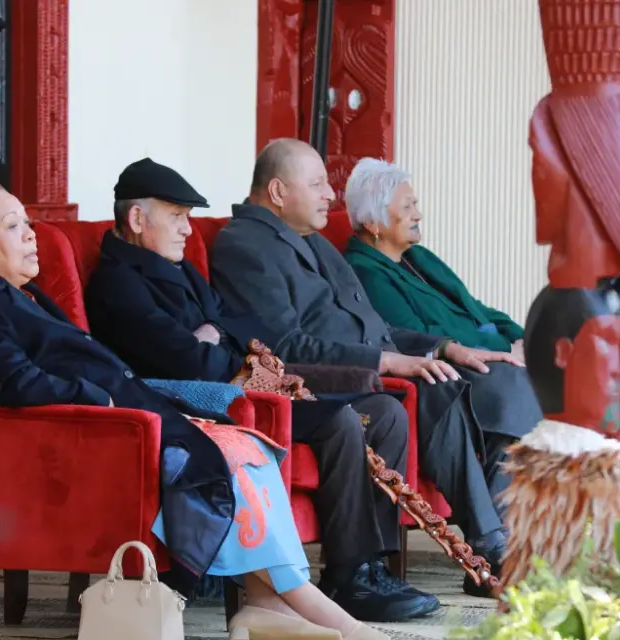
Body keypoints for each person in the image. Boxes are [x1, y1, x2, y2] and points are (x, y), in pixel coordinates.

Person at [0, 177, 388, 639]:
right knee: (227, 456)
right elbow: (11, 382)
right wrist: (98, 398)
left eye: (27, 222)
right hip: (97, 438)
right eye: (11, 226)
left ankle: (266, 602)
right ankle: (313, 606)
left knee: (248, 445)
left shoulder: (18, 294)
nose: (29, 233)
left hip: (131, 417)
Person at [83, 158, 438, 622]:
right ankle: (349, 575)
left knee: (382, 410)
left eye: (188, 218)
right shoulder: (119, 282)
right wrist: (216, 341)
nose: (188, 230)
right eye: (177, 216)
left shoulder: (179, 268)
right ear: (136, 219)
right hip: (203, 403)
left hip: (250, 383)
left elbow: (242, 327)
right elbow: (183, 360)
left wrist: (212, 334)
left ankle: (373, 566)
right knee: (339, 420)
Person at [208, 139, 543, 596]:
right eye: (319, 184)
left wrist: (443, 348)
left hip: (365, 370)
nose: (331, 194)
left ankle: (469, 552)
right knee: (421, 395)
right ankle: (482, 547)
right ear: (279, 191)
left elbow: (377, 327)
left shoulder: (313, 242)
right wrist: (384, 361)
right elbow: (280, 345)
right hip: (320, 381)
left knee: (445, 378)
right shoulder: (244, 245)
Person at [342, 158, 527, 363]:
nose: (418, 215)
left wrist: (522, 337)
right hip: (461, 365)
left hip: (495, 349)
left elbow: (473, 306)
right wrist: (505, 347)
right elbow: (418, 336)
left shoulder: (418, 255)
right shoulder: (365, 273)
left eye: (415, 205)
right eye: (406, 208)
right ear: (372, 223)